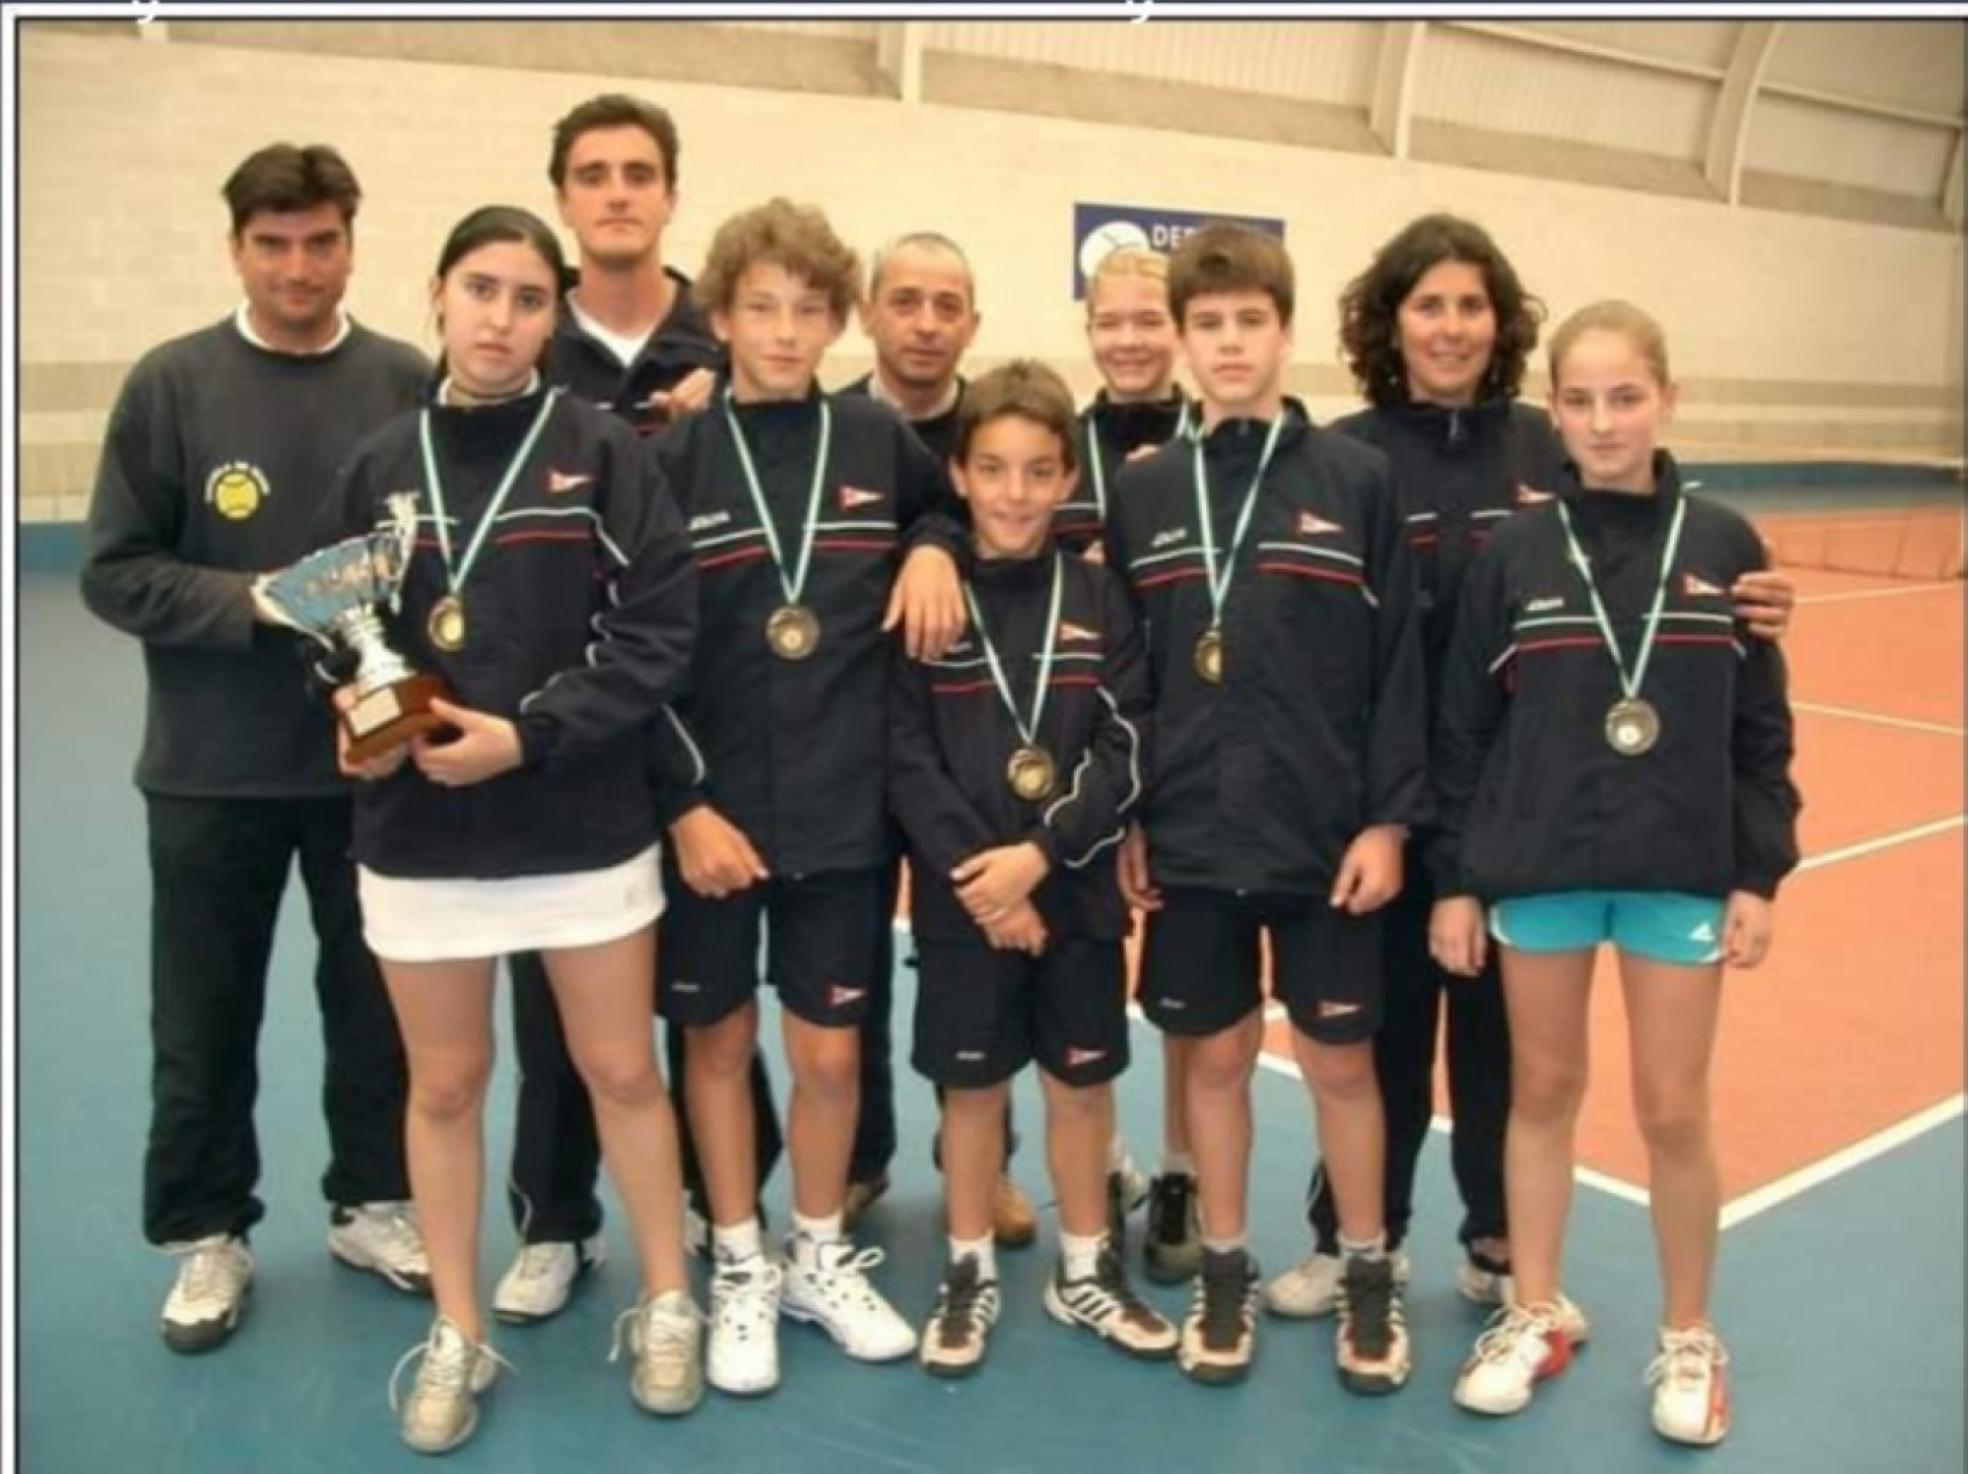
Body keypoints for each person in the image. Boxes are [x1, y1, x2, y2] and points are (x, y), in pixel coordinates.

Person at [1264, 215, 1797, 1329]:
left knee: (1509, 1053)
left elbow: (1642, 520)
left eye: (1471, 305)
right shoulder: (1349, 454)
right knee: (1385, 1032)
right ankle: (1356, 1238)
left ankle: (1500, 1240)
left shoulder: (1539, 445)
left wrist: (1744, 588)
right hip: (1379, 799)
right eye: (1428, 304)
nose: (1451, 326)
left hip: (1524, 804)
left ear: (1500, 326)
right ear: (1390, 321)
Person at [320, 205, 704, 1451]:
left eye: (529, 298)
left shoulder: (604, 453)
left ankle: (666, 1299)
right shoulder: (376, 458)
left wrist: (527, 737)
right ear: (436, 294)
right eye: (480, 289)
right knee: (445, 1087)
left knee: (623, 1071)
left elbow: (655, 636)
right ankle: (456, 1325)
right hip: (419, 832)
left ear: (554, 317)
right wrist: (347, 713)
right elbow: (338, 628)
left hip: (581, 827)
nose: (500, 317)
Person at [80, 141, 431, 1355]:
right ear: (237, 247)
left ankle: (374, 1201)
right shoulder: (171, 384)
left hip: (368, 769)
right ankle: (207, 1232)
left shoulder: (402, 378)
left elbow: (438, 560)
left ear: (350, 242)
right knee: (205, 1016)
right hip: (208, 771)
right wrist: (259, 602)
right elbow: (115, 572)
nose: (299, 266)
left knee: (377, 1005)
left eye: (321, 241)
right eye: (274, 243)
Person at [1431, 300, 1799, 1447]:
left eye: (1625, 395)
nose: (1603, 420)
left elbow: (1760, 731)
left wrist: (1758, 872)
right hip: (1539, 868)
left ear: (1667, 399)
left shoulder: (1729, 545)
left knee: (1672, 1105)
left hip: (1677, 872)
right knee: (1539, 1092)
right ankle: (1535, 1311)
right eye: (1580, 400)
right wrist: (1456, 877)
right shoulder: (1513, 553)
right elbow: (1463, 732)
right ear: (1554, 411)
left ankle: (1689, 1335)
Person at [644, 197, 966, 1397]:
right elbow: (632, 647)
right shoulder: (668, 460)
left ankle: (817, 1249)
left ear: (839, 320)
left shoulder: (878, 441)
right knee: (716, 1042)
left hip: (841, 808)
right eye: (762, 307)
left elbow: (946, 505)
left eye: (809, 309)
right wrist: (682, 805)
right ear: (720, 315)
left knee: (831, 1054)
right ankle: (737, 1256)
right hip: (713, 815)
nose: (786, 330)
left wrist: (933, 542)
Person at [1107, 223, 1426, 1393]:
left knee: (1343, 1064)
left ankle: (1365, 1268)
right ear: (1182, 343)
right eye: (1209, 326)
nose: (1230, 345)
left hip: (1324, 836)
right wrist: (1130, 813)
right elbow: (1127, 672)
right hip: (1190, 833)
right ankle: (1229, 1266)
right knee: (1215, 1060)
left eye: (1250, 322)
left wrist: (1389, 821)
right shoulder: (1145, 491)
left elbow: (1400, 669)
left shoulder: (1357, 480)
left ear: (1284, 332)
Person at [495, 91, 786, 1329]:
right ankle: (557, 1218)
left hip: (703, 723)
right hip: (557, 738)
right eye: (593, 175)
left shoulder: (726, 347)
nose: (616, 192)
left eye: (638, 173)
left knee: (717, 996)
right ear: (565, 199)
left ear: (671, 195)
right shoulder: (521, 345)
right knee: (559, 1000)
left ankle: (747, 1207)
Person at [890, 360, 1176, 1376]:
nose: (1016, 492)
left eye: (1040, 470)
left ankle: (1086, 1266)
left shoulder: (1104, 595)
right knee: (972, 1095)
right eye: (995, 468)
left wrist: (1041, 858)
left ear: (1067, 482)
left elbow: (1129, 740)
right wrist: (986, 878)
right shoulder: (926, 596)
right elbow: (904, 755)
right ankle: (966, 1266)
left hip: (1077, 890)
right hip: (966, 901)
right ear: (959, 474)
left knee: (1082, 1087)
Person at [839, 231, 1038, 1247]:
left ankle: (989, 1161)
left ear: (972, 321)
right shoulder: (829, 428)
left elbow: (1031, 534)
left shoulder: (1002, 429)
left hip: (976, 757)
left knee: (990, 954)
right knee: (857, 963)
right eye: (906, 300)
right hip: (851, 750)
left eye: (947, 304)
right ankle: (864, 1156)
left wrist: (938, 537)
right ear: (869, 311)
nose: (925, 320)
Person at [1056, 245, 1201, 1280]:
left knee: (1195, 994)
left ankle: (1183, 1174)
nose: (1132, 340)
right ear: (1089, 328)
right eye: (1113, 321)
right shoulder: (1051, 449)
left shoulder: (1231, 451)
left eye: (1152, 320)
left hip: (1197, 756)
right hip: (1078, 759)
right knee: (1085, 980)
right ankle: (1101, 1162)